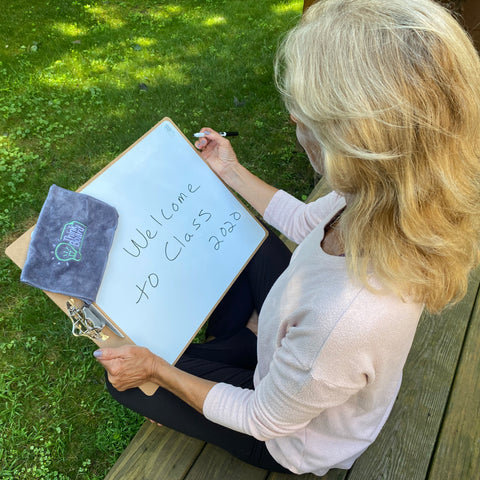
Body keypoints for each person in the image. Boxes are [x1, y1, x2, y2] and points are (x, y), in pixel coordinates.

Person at [94, 0, 480, 475]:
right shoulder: (388, 191)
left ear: (357, 143)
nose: (294, 121)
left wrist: (155, 370)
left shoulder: (343, 320)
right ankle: (250, 333)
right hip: (304, 357)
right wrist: (230, 170)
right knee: (248, 243)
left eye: (307, 115)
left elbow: (262, 418)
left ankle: (240, 338)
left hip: (292, 437)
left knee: (127, 381)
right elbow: (304, 224)